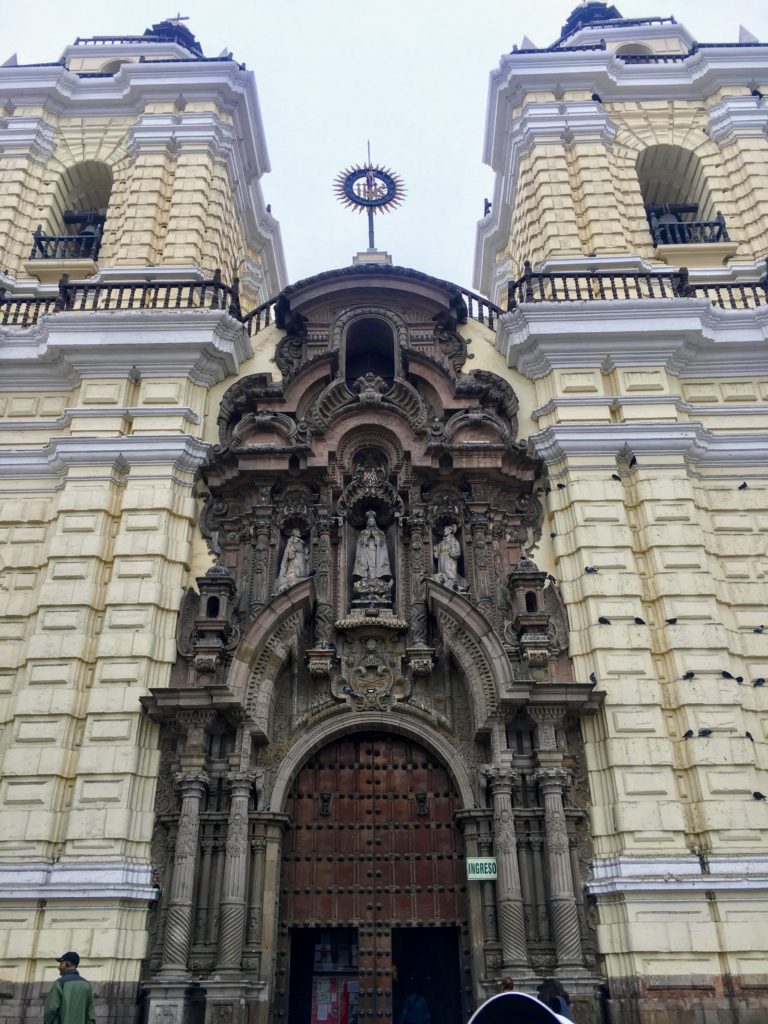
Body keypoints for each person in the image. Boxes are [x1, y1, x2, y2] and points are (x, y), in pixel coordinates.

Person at [44, 952, 95, 1024]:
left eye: (61, 963)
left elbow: (50, 1009)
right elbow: (91, 1014)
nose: (58, 967)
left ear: (68, 964)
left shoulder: (60, 983)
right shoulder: (87, 985)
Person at [353, 511, 391, 580]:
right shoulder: (363, 533)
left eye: (372, 521)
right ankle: (366, 575)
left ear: (374, 522)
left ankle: (375, 576)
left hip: (375, 550)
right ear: (368, 522)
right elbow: (360, 544)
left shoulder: (379, 533)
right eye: (370, 521)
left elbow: (382, 544)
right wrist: (366, 541)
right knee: (367, 563)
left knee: (374, 563)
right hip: (366, 550)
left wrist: (376, 541)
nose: (371, 522)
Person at [275, 528, 308, 592]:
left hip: (300, 558)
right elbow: (287, 555)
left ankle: (298, 576)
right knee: (293, 568)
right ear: (294, 533)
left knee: (300, 568)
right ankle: (291, 575)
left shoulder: (300, 542)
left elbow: (301, 549)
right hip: (293, 559)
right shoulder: (290, 541)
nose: (299, 533)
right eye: (298, 532)